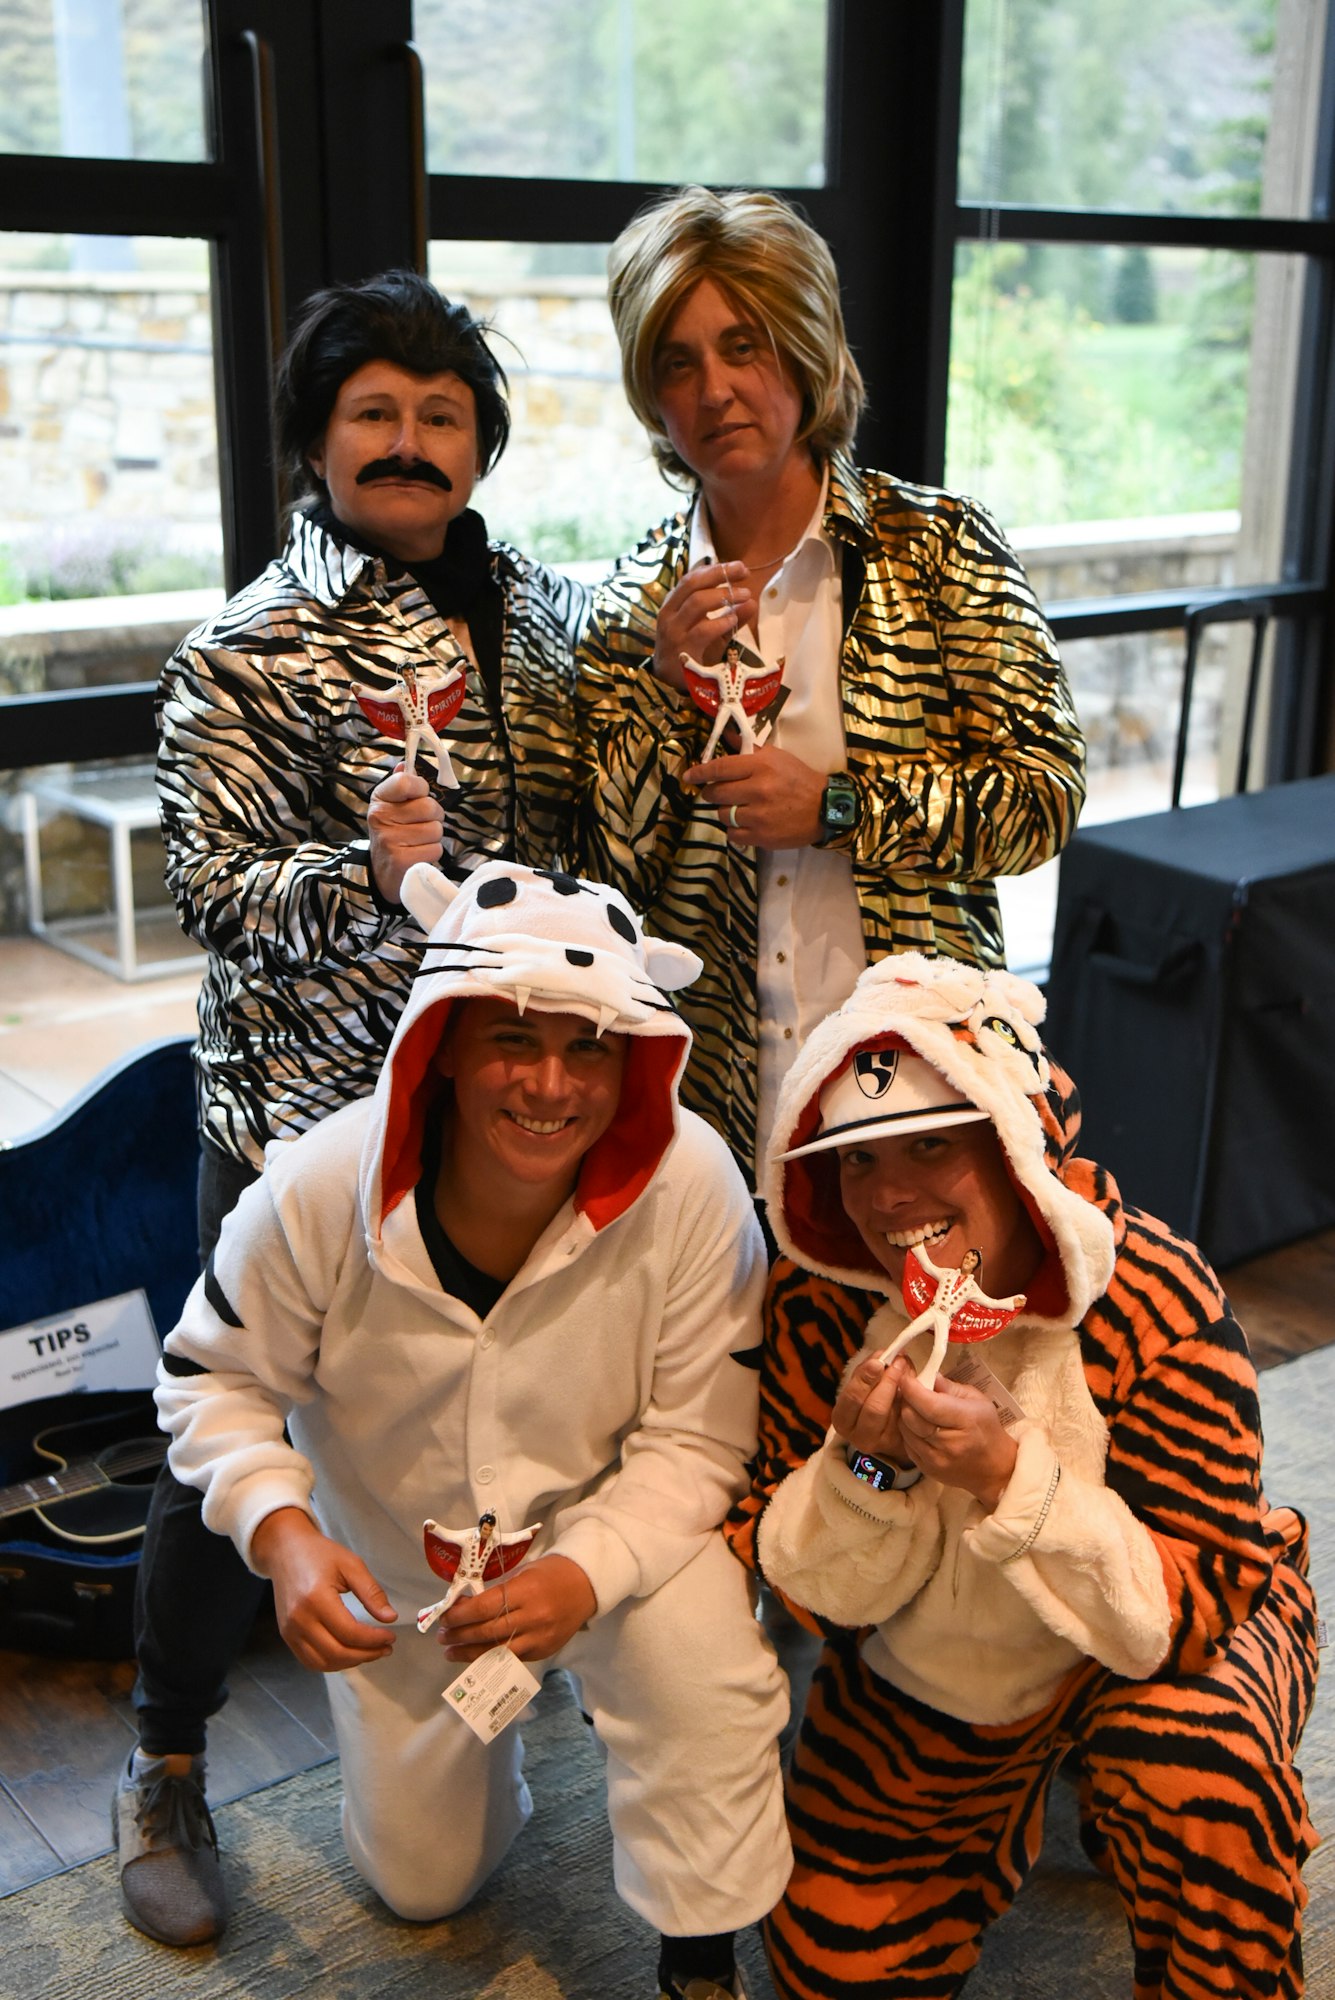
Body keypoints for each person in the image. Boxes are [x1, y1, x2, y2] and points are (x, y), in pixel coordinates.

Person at [117, 271, 587, 1946]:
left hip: (510, 1120)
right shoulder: (241, 645)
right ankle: (167, 1756)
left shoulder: (537, 621)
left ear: (480, 447)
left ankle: (537, 1648)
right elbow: (213, 887)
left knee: (519, 1393)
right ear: (317, 443)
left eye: (441, 416)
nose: (409, 442)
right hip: (300, 1122)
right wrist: (388, 881)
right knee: (214, 1434)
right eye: (375, 414)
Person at [153, 860, 790, 2000]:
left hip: (618, 1535)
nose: (551, 1083)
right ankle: (483, 1760)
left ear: (637, 1055)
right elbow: (211, 1377)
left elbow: (699, 1437)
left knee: (704, 1670)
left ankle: (700, 1963)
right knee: (423, 1882)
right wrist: (283, 1533)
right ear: (439, 1041)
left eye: (590, 1044)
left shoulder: (694, 1182)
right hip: (407, 1578)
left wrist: (587, 1571)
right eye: (512, 1037)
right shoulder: (317, 1185)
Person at [724, 953, 1319, 2000]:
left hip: (1176, 1623)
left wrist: (1015, 1482)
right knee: (832, 1962)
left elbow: (1196, 1595)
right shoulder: (819, 1306)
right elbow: (814, 1600)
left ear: (1013, 1143)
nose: (887, 1194)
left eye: (930, 1143)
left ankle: (1133, 1813)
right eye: (854, 1160)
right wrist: (866, 1470)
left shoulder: (1156, 1294)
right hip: (940, 1667)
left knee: (1204, 1778)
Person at [575, 187, 1086, 1182]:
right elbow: (599, 878)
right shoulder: (634, 599)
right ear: (651, 394)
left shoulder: (936, 549)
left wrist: (838, 804)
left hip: (925, 1072)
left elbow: (1043, 798)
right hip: (707, 1094)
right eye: (677, 362)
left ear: (806, 349)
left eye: (745, 345)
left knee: (919, 1330)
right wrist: (657, 690)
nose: (715, 388)